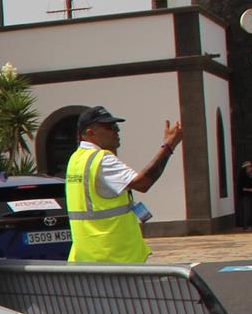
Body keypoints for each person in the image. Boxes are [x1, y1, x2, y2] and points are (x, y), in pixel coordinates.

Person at [64, 107, 182, 264]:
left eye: (116, 126)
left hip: (88, 255)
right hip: (115, 257)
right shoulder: (102, 160)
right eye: (109, 127)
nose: (116, 131)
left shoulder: (76, 158)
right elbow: (142, 183)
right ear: (90, 133)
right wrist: (168, 147)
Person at [235, 159, 252, 231]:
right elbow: (241, 187)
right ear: (245, 168)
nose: (250, 168)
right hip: (245, 195)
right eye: (249, 167)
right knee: (246, 211)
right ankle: (245, 226)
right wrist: (250, 190)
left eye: (251, 166)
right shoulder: (242, 176)